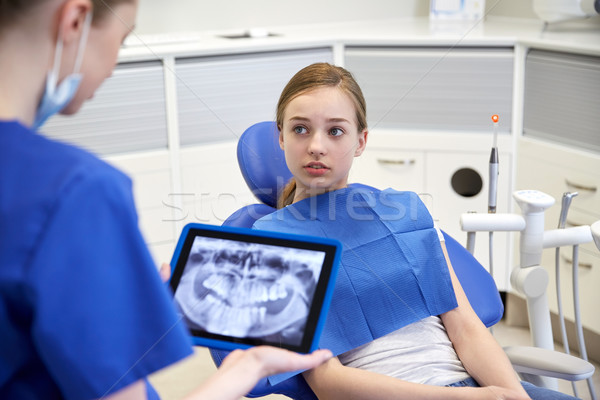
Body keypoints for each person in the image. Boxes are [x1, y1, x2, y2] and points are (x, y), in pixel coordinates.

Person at [0, 1, 331, 399]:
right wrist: (246, 369)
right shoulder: (75, 189)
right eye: (122, 38)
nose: (111, 66)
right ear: (74, 19)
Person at [251, 62, 579, 400]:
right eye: (300, 129)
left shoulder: (404, 214)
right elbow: (327, 382)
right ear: (280, 136)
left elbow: (465, 328)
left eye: (335, 131)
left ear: (361, 141)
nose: (316, 145)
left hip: (474, 385)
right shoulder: (271, 241)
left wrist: (512, 395)